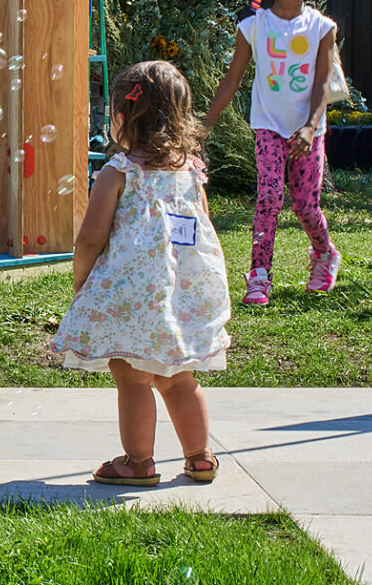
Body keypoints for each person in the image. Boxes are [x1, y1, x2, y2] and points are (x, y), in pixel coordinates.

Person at [52, 61, 231, 487]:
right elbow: (201, 226)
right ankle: (199, 457)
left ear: (122, 116)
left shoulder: (118, 172)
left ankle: (137, 462)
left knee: (133, 377)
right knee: (179, 376)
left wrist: (83, 279)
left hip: (133, 300)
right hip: (181, 293)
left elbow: (91, 239)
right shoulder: (191, 170)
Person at [203, 0, 340, 306]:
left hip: (309, 130)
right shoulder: (252, 27)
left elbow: (323, 83)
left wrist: (310, 128)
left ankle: (325, 253)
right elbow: (232, 80)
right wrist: (203, 126)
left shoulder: (322, 27)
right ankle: (259, 274)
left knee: (305, 207)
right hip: (268, 126)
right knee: (268, 199)